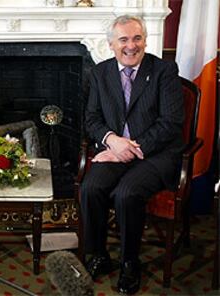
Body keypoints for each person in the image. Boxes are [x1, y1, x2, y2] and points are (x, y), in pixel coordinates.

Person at [80, 15, 184, 294]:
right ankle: (99, 255)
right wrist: (112, 141)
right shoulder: (100, 73)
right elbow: (91, 119)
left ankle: (129, 263)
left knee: (127, 193)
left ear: (145, 41)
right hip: (115, 149)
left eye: (137, 38)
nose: (131, 45)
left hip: (156, 154)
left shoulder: (164, 71)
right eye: (123, 39)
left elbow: (170, 123)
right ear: (111, 45)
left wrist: (130, 148)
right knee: (90, 187)